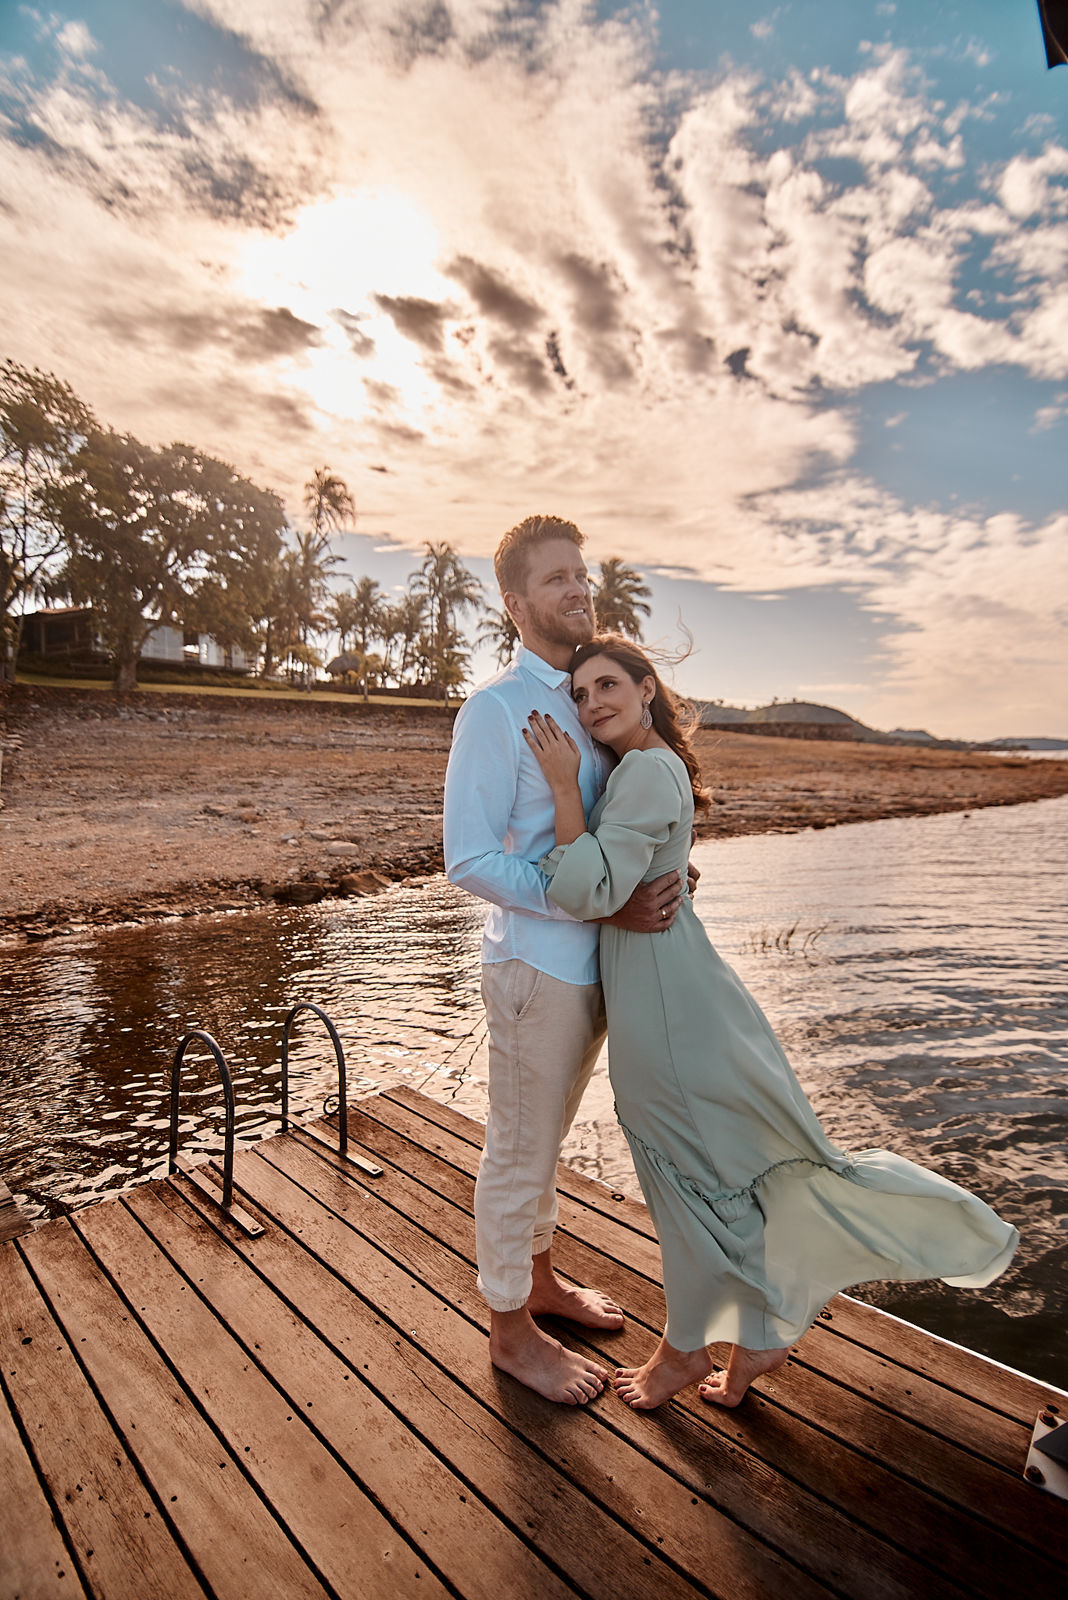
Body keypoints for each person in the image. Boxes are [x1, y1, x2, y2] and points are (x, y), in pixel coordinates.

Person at [524, 634, 1019, 1411]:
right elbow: (631, 872)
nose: (592, 705)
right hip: (679, 990)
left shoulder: (645, 771)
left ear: (647, 688)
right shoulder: (654, 770)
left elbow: (585, 888)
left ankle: (688, 1349)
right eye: (581, 694)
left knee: (682, 1171)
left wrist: (560, 788)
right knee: (712, 1170)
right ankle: (753, 1330)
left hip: (665, 1006)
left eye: (608, 685)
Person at [443, 516, 688, 1406]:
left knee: (545, 1146)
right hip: (536, 971)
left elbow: (618, 824)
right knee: (516, 1151)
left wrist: (655, 870)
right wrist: (591, 900)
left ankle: (539, 1284)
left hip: (600, 967)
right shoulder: (497, 710)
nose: (578, 590)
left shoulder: (593, 697)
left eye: (581, 575)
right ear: (515, 602)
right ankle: (511, 1333)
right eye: (556, 579)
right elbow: (467, 858)